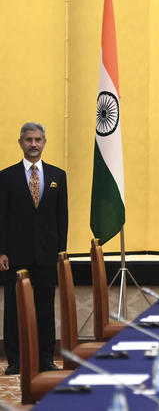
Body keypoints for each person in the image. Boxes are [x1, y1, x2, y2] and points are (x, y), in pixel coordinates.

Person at [0, 123, 68, 375]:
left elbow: (63, 219)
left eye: (38, 139)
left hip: (48, 256)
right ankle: (15, 361)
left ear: (44, 142)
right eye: (29, 140)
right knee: (14, 310)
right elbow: (2, 218)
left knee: (46, 310)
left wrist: (61, 253)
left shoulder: (57, 176)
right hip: (15, 257)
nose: (33, 144)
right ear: (20, 142)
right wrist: (1, 251)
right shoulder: (5, 177)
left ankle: (45, 359)